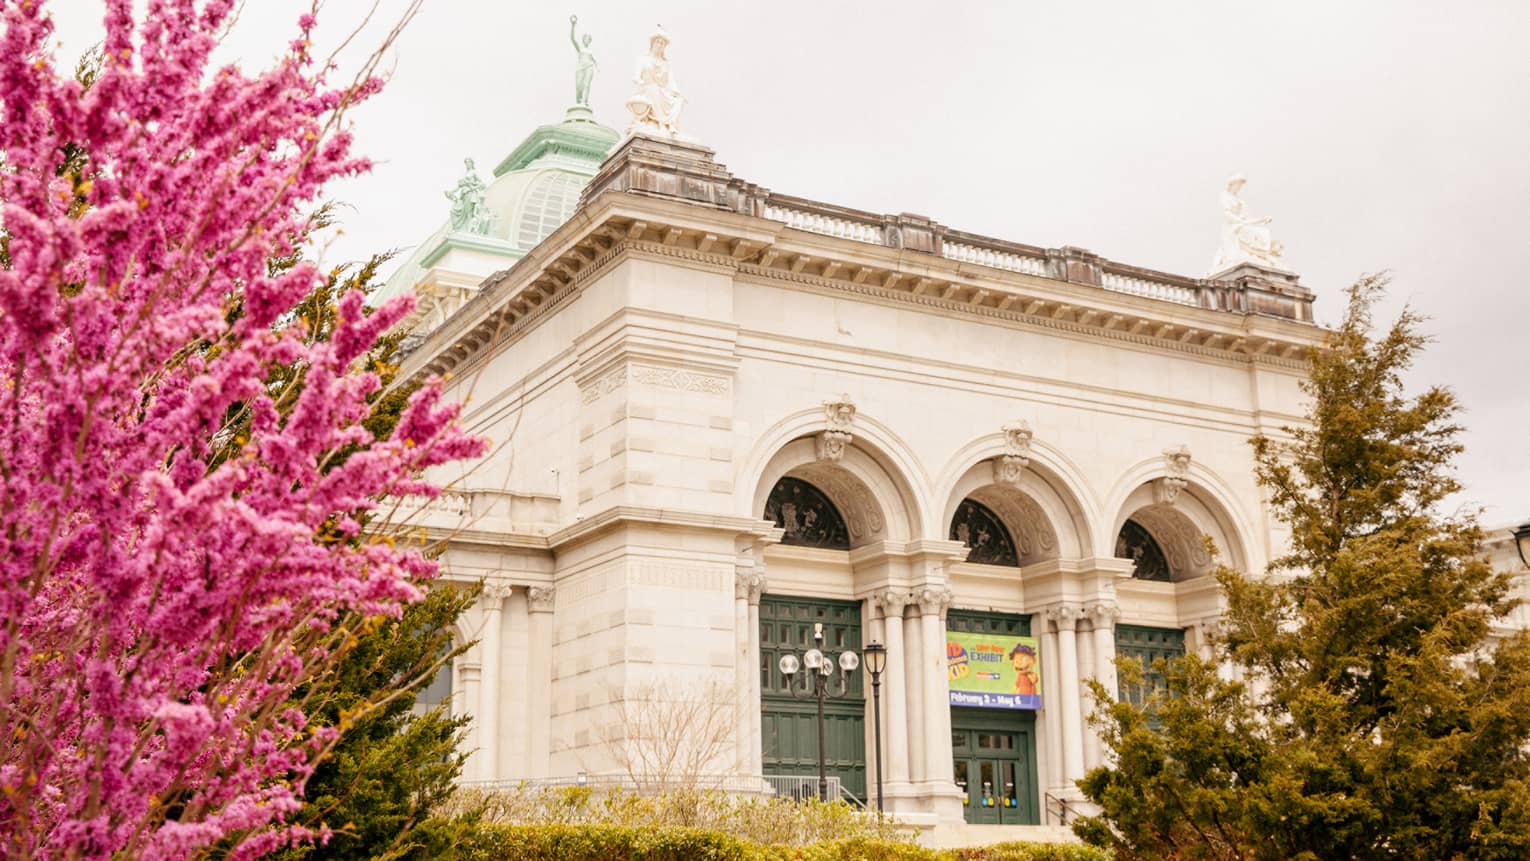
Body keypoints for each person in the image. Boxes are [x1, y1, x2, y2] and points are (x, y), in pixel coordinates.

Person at [569, 15, 596, 107]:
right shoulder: (580, 48)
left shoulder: (591, 52)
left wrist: (597, 67)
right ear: (583, 40)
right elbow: (572, 39)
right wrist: (573, 26)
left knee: (586, 85)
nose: (587, 41)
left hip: (589, 67)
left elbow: (595, 61)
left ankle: (584, 101)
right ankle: (579, 100)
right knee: (579, 85)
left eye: (589, 39)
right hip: (580, 68)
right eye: (586, 39)